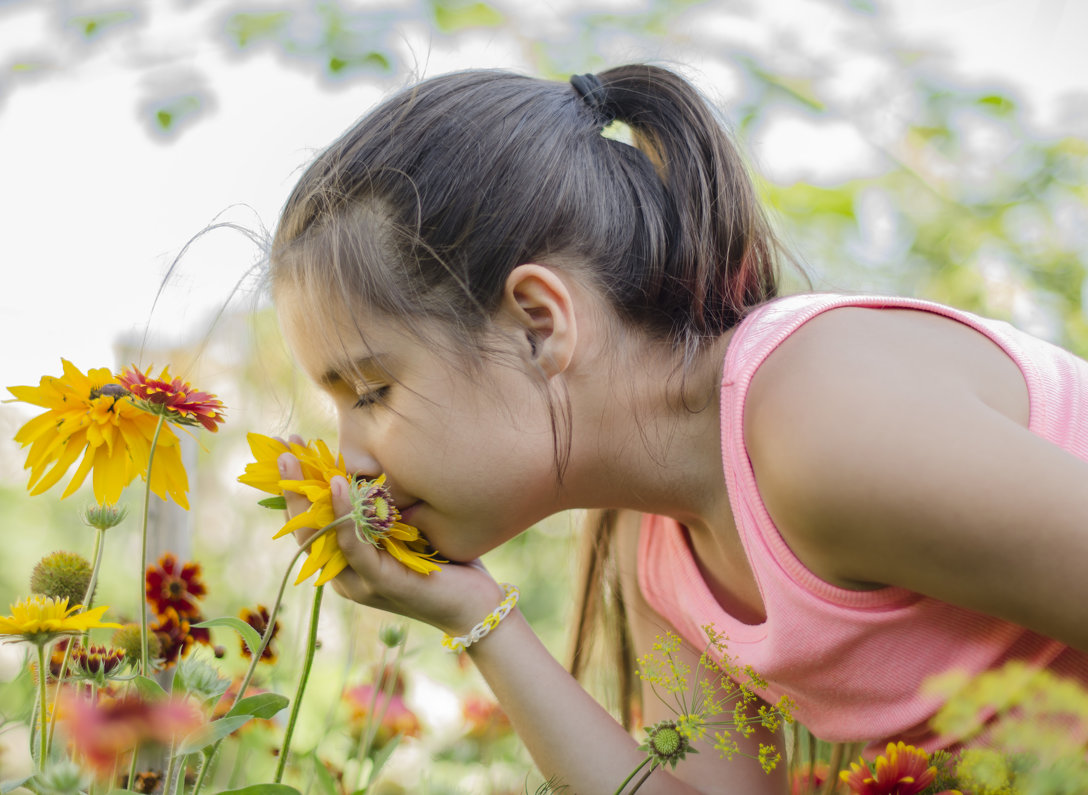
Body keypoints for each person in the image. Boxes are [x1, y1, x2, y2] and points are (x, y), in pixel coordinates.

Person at [266, 64, 1088, 794]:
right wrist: (477, 617)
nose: (353, 457)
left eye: (371, 389)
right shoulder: (660, 543)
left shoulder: (820, 426)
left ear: (539, 324)